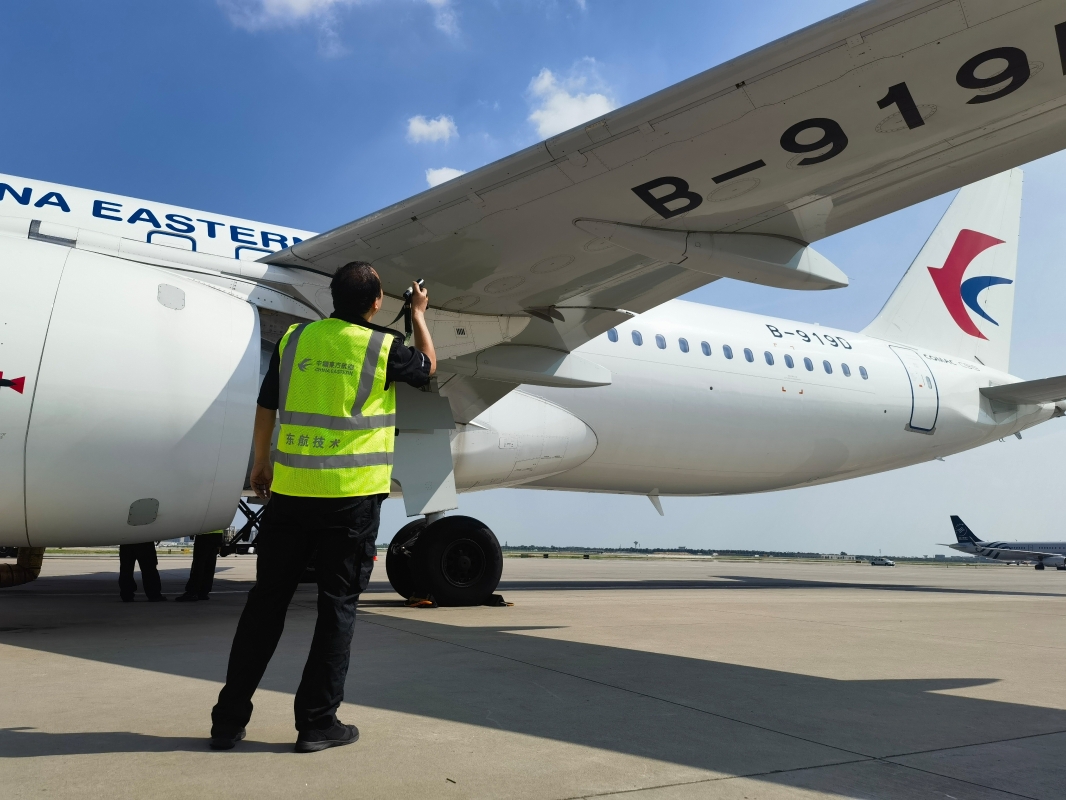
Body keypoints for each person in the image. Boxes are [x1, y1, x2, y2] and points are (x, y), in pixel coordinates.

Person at [210, 262, 436, 753]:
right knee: (336, 609)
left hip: (291, 494)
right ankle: (316, 724)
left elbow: (266, 404)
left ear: (333, 297)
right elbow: (427, 367)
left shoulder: (294, 340)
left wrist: (262, 462)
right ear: (376, 302)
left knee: (266, 604)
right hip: (351, 500)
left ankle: (227, 721)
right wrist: (418, 313)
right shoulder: (383, 345)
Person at [175, 531, 223, 602]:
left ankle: (192, 592)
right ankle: (203, 592)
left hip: (204, 534)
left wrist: (193, 531)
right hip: (217, 535)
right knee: (209, 565)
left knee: (198, 565)